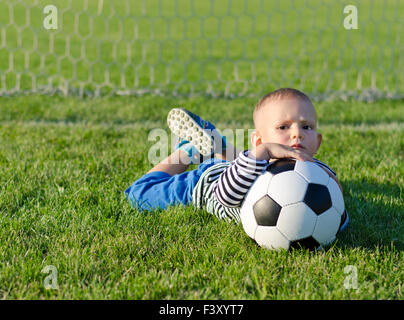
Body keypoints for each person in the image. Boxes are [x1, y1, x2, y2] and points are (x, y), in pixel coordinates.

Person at [125, 88, 349, 231]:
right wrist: (265, 152)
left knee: (244, 163)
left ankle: (218, 145)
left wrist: (338, 199)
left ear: (318, 142)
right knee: (138, 195)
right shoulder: (258, 156)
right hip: (206, 184)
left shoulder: (318, 174)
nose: (297, 133)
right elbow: (224, 196)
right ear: (259, 142)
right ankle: (188, 151)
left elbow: (339, 220)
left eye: (306, 126)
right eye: (283, 127)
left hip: (239, 164)